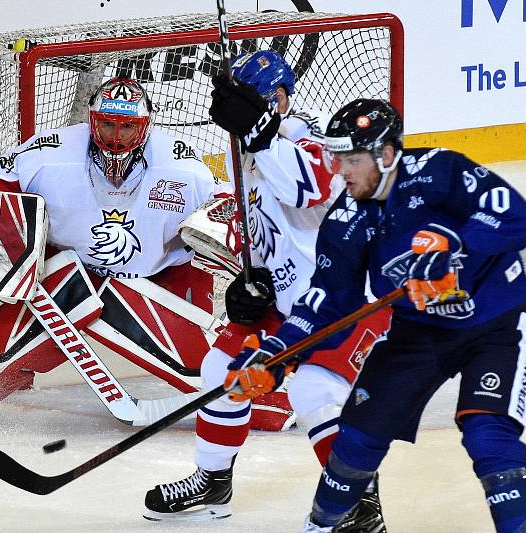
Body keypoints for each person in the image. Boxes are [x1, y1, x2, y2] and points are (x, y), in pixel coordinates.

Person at [224, 98, 526, 532]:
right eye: (336, 157)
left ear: (386, 155)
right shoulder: (346, 218)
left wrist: (456, 248)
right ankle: (318, 527)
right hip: (419, 332)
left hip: (494, 325)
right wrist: (279, 353)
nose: (340, 170)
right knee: (356, 438)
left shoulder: (442, 172)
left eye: (351, 159)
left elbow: (516, 217)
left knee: (489, 436)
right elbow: (330, 299)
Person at [143, 51, 391, 530]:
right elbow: (268, 232)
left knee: (317, 391)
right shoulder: (247, 154)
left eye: (254, 101)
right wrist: (249, 280)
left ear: (278, 99)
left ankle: (359, 510)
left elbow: (312, 186)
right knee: (221, 370)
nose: (244, 112)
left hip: (349, 302)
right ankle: (213, 481)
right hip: (286, 305)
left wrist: (260, 131)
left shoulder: (310, 137)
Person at [0, 77, 221, 421]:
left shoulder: (181, 164)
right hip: (70, 276)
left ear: (146, 125)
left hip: (159, 278)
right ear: (92, 119)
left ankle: (239, 388)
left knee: (213, 373)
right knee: (23, 344)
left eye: (127, 126)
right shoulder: (52, 152)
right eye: (107, 124)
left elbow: (226, 207)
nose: (115, 137)